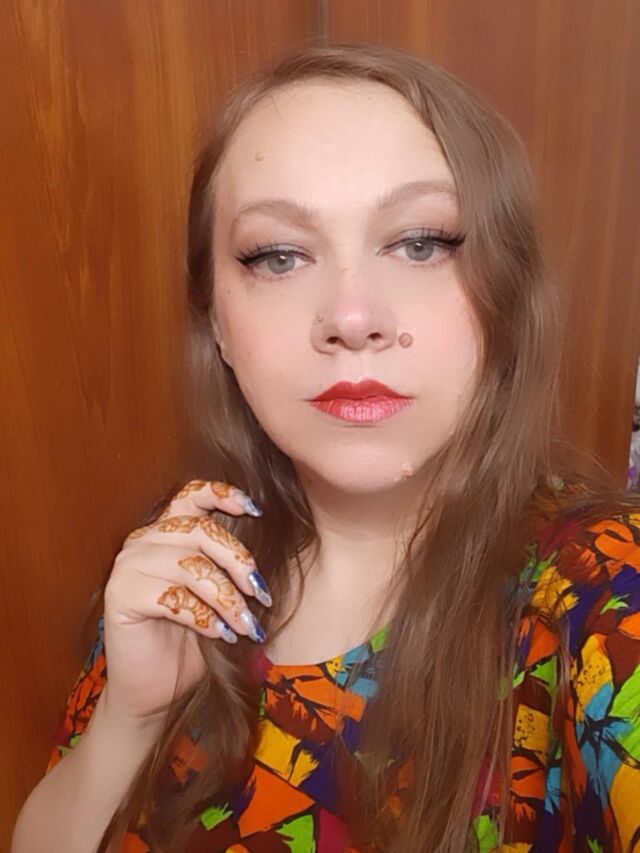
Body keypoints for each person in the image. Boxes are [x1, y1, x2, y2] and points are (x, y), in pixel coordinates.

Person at [12, 41, 640, 853]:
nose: (351, 316)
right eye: (279, 256)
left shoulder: (601, 584)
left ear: (506, 295)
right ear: (216, 322)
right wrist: (128, 720)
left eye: (421, 242)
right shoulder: (192, 560)